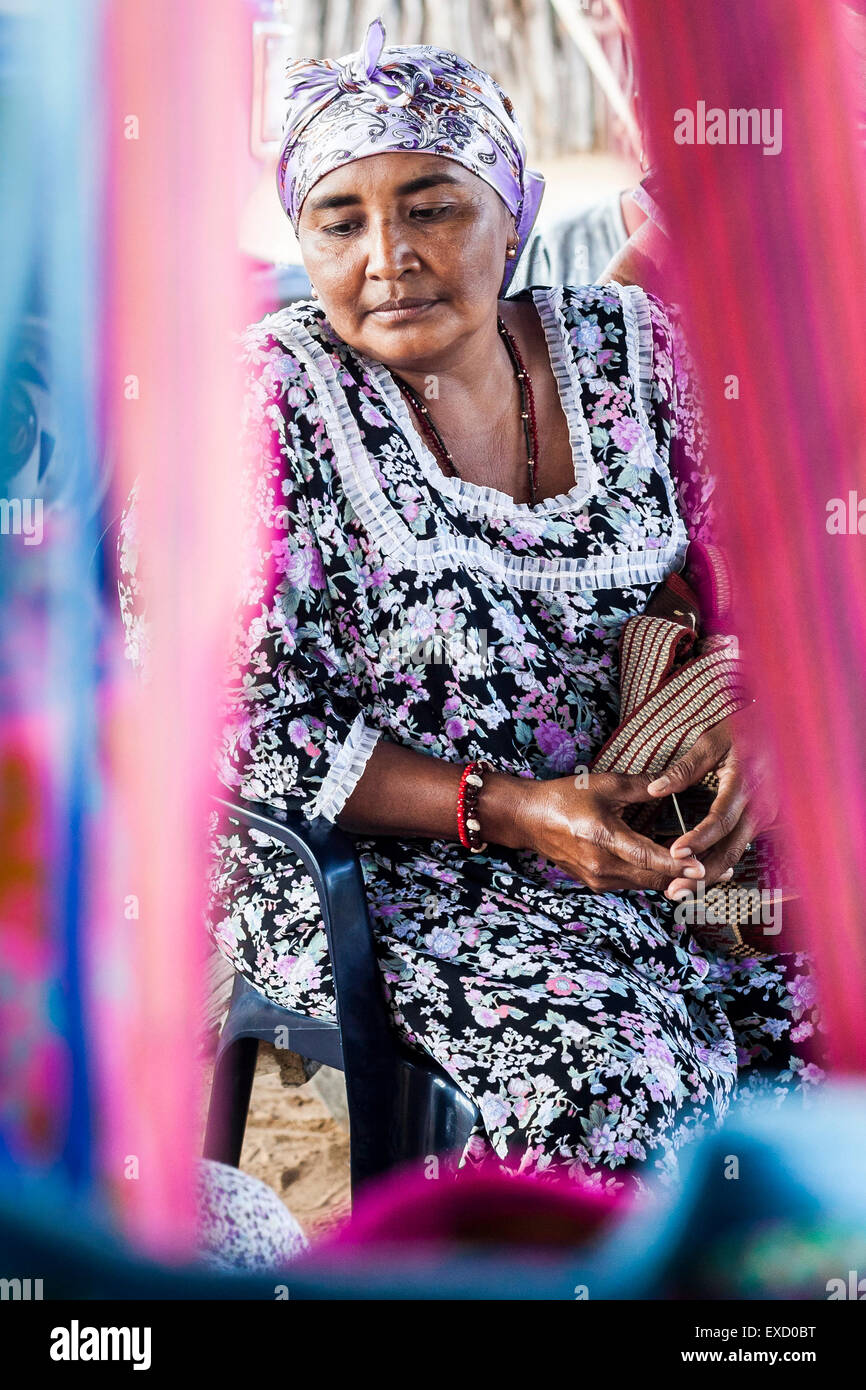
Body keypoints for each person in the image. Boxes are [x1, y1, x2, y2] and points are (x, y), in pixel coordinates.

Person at [118, 17, 822, 1188]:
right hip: (372, 855)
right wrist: (513, 811)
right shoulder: (255, 409)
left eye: (432, 205)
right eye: (339, 221)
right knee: (607, 1071)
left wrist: (751, 722)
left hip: (654, 829)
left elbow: (774, 565)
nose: (386, 253)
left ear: (514, 215)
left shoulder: (633, 353)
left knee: (821, 1004)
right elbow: (224, 718)